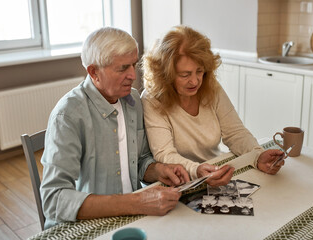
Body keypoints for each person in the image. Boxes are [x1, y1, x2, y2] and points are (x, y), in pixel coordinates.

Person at [40, 27, 190, 229]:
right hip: (87, 226)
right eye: (122, 68)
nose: (132, 75)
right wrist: (136, 202)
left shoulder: (133, 100)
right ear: (94, 72)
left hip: (131, 217)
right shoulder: (68, 115)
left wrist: (160, 170)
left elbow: (140, 160)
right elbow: (53, 199)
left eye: (134, 65)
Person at [140, 25, 285, 187]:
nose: (194, 81)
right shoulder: (152, 99)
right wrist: (197, 170)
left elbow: (235, 133)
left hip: (214, 169)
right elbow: (165, 155)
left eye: (199, 71)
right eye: (185, 74)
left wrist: (258, 156)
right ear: (165, 74)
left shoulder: (210, 87)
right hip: (177, 181)